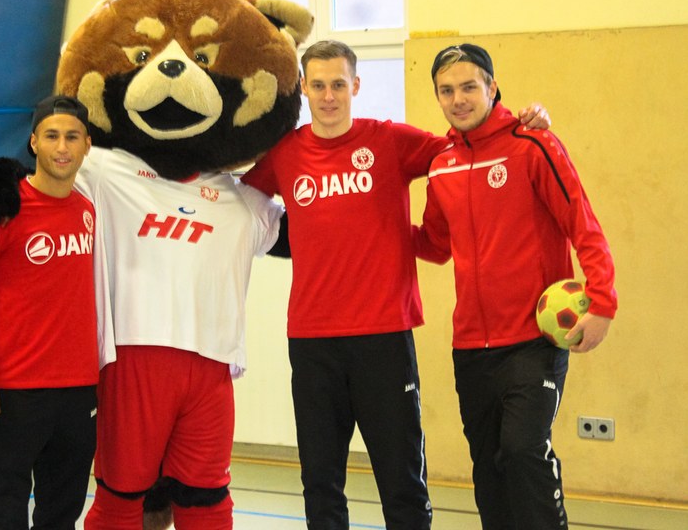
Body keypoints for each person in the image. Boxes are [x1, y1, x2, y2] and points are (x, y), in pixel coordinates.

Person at [239, 40, 551, 530]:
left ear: (356, 86)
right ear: (303, 88)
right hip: (313, 342)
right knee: (320, 482)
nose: (328, 96)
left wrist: (521, 121)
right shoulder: (287, 154)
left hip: (384, 338)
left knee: (402, 481)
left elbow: (468, 147)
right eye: (318, 85)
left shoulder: (389, 140)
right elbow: (239, 205)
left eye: (338, 84)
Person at [414, 44, 617, 529]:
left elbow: (583, 224)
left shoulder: (533, 145)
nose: (458, 99)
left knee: (524, 450)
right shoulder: (442, 164)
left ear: (491, 86)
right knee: (490, 470)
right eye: (447, 90)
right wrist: (371, 225)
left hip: (533, 342)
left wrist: (603, 302)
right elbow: (435, 245)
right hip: (471, 348)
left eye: (469, 87)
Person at [0, 95, 99, 529]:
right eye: (51, 136)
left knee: (61, 514)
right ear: (34, 143)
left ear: (88, 145)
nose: (62, 147)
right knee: (2, 516)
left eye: (72, 137)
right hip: (11, 393)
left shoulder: (87, 209)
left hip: (77, 393)